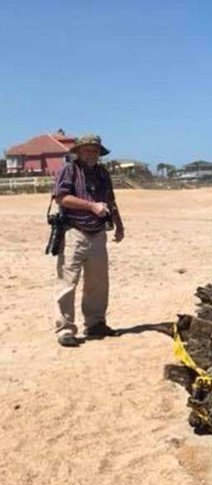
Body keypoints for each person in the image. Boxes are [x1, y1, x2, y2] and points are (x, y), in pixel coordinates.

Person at [52, 133, 125, 347]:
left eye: (94, 150)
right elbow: (61, 198)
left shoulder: (102, 173)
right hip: (73, 232)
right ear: (79, 152)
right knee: (67, 282)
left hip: (98, 232)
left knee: (98, 282)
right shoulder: (69, 170)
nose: (91, 153)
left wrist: (119, 224)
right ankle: (65, 329)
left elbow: (110, 200)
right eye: (87, 150)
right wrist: (91, 206)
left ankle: (95, 323)